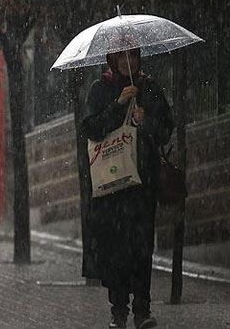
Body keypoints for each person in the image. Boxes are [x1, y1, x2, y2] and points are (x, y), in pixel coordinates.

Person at [82, 48, 174, 329]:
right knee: (116, 250)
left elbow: (166, 130)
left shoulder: (149, 87)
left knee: (142, 248)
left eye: (132, 56)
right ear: (112, 60)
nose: (127, 62)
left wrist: (146, 121)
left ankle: (142, 310)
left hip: (142, 185)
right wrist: (118, 105)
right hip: (112, 188)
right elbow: (91, 128)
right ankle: (118, 311)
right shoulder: (101, 89)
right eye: (121, 57)